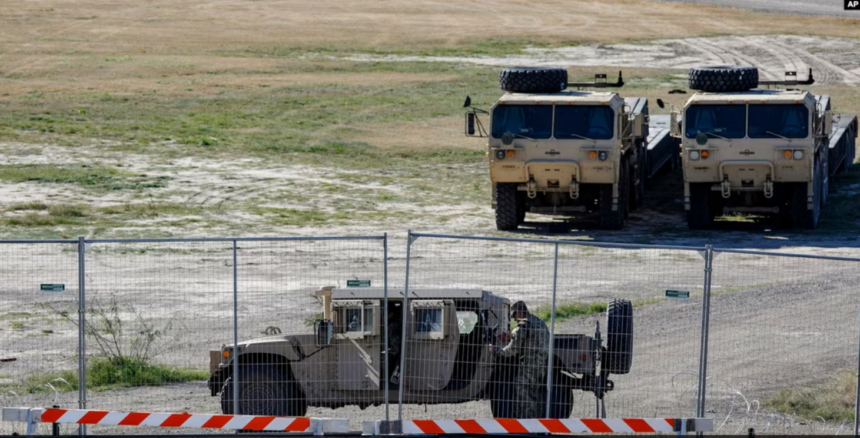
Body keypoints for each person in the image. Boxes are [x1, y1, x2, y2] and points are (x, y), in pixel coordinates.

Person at [489, 300, 550, 418]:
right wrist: (512, 336)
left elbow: (513, 349)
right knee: (534, 396)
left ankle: (526, 426)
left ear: (520, 313)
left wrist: (497, 350)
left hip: (528, 367)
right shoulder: (539, 322)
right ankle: (535, 425)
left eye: (514, 316)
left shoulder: (523, 326)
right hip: (541, 366)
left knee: (523, 398)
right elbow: (533, 339)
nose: (514, 319)